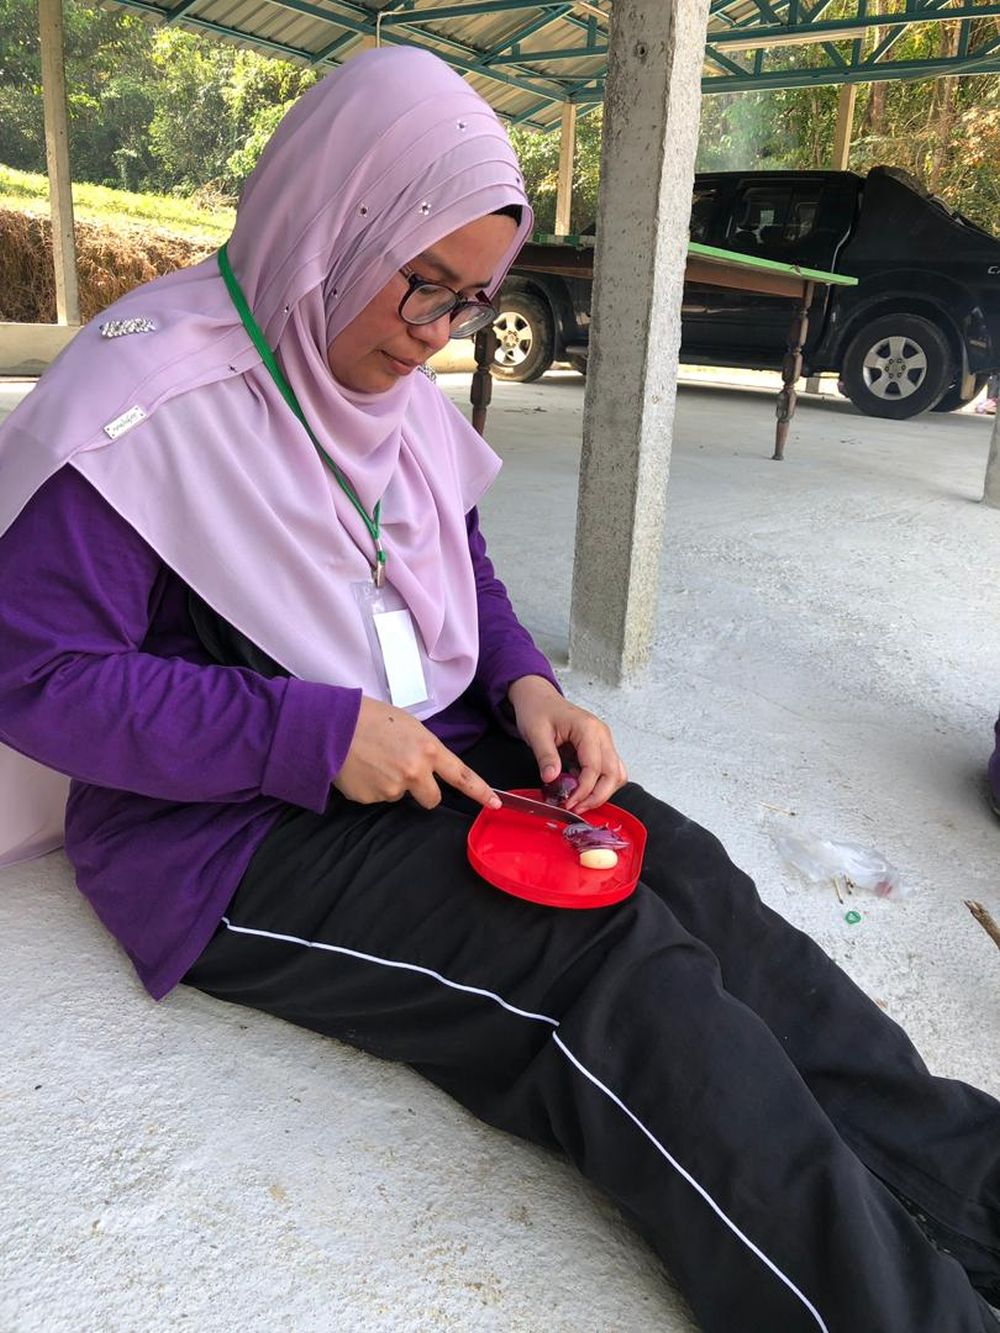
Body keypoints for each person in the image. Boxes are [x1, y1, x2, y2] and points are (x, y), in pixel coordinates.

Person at [0, 48, 997, 1333]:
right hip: (231, 827)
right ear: (330, 227)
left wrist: (526, 682)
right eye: (422, 284)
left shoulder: (383, 380)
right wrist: (308, 728)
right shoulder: (143, 402)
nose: (435, 334)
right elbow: (36, 677)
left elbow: (446, 557)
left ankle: (976, 1194)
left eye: (469, 302)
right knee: (608, 970)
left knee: (688, 879)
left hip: (442, 740)